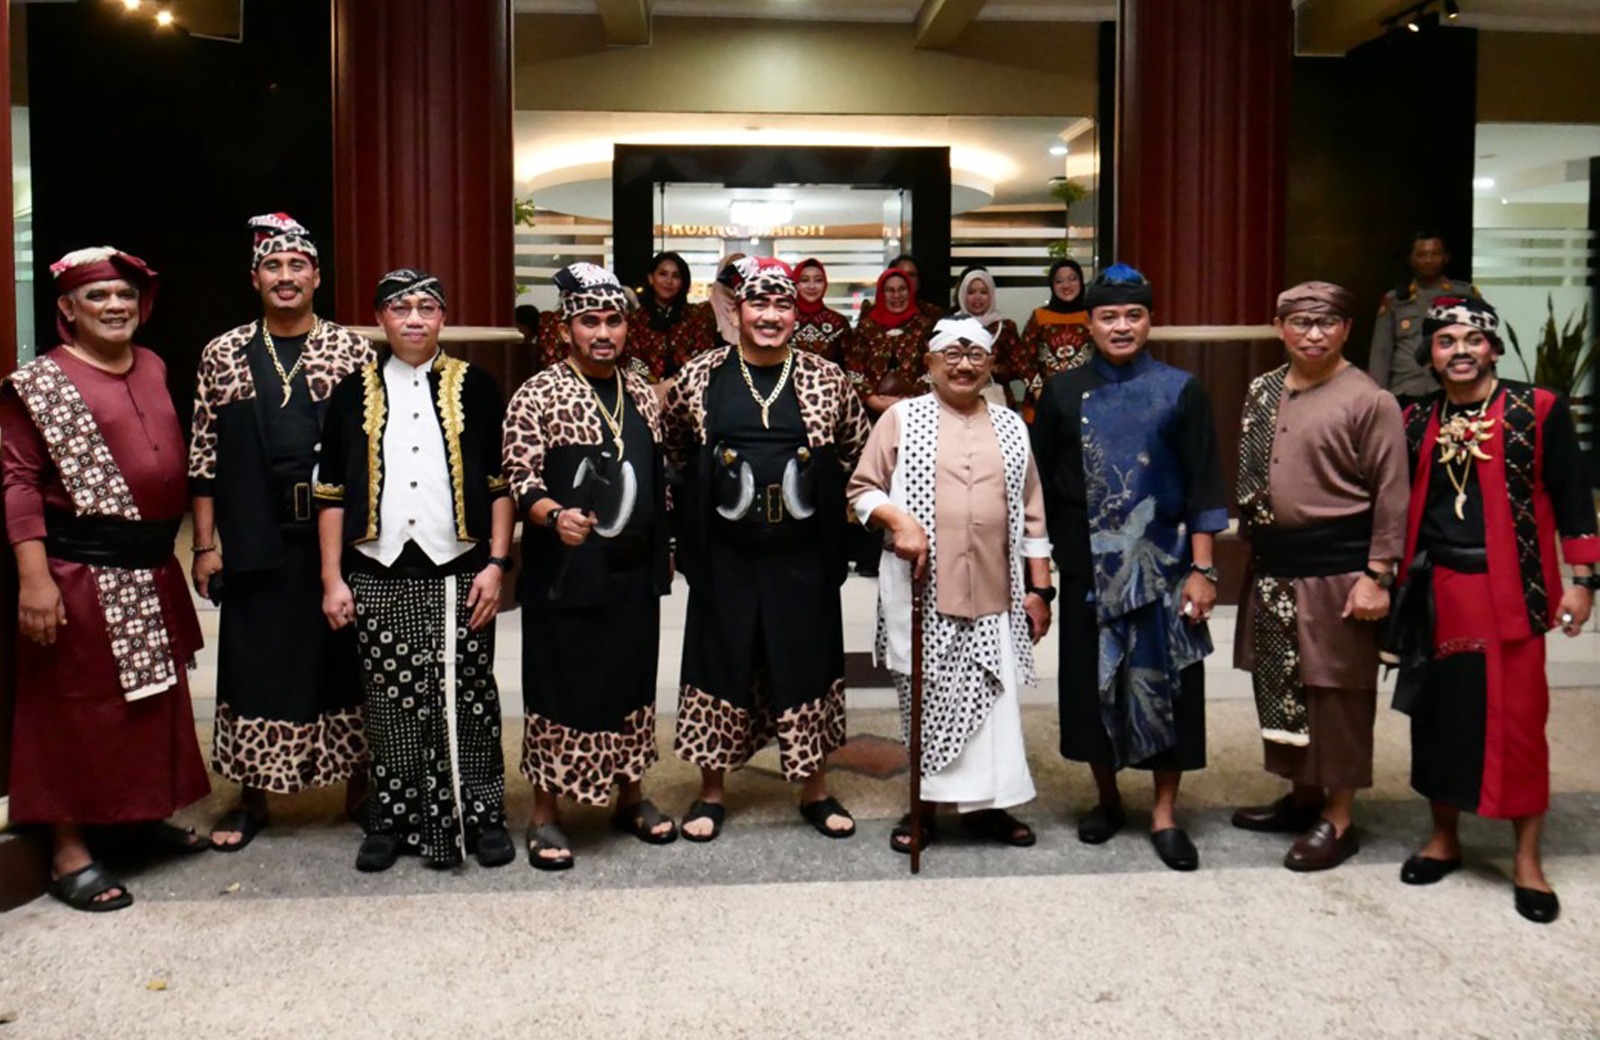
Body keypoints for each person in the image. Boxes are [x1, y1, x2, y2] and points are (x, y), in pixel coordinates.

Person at [2, 246, 210, 911]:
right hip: (77, 570)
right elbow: (18, 482)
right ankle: (70, 850)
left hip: (150, 564)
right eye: (97, 297)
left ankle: (137, 819)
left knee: (148, 702)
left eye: (124, 294)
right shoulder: (38, 383)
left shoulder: (151, 364)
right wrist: (35, 581)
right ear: (66, 310)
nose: (114, 306)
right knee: (73, 712)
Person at [1390, 295, 1597, 924]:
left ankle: (1527, 860)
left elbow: (1572, 496)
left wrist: (1583, 579)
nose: (1459, 351)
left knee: (1517, 723)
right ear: (1430, 353)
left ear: (1493, 348)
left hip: (1511, 589)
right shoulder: (1416, 418)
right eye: (1446, 341)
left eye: (1471, 341)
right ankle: (1444, 837)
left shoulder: (1538, 410)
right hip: (1436, 589)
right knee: (1440, 717)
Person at [662, 256, 870, 842]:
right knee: (718, 663)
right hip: (724, 556)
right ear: (737, 310)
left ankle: (815, 789)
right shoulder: (700, 375)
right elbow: (676, 444)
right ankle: (710, 793)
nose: (771, 315)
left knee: (807, 664)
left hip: (802, 557)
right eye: (760, 304)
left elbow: (859, 449)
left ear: (795, 313)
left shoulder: (827, 378)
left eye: (782, 305)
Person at [315, 269, 515, 872]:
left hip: (460, 567)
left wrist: (498, 564)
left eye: (427, 307)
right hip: (376, 567)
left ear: (443, 318)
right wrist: (332, 577)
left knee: (469, 695)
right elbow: (330, 492)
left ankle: (481, 818)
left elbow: (499, 484)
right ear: (380, 319)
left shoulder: (477, 387)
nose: (413, 318)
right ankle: (391, 820)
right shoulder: (351, 392)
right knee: (387, 697)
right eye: (399, 308)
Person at [1031, 264, 1228, 871]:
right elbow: (1040, 482)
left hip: (1165, 567)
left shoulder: (1181, 388)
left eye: (1133, 315)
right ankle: (1107, 797)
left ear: (1150, 321)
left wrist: (1204, 569)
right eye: (1110, 316)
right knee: (1093, 690)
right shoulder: (1062, 391)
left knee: (1170, 687)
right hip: (1089, 566)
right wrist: (1045, 571)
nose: (1122, 326)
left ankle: (1165, 811)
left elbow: (1204, 483)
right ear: (1088, 323)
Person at [189, 213, 375, 851]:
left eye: (298, 266)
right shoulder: (222, 352)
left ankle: (359, 787)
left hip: (337, 536)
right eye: (274, 266)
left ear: (317, 276)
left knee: (343, 660)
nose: (287, 276)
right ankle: (252, 794)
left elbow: (370, 449)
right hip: (255, 530)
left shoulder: (351, 350)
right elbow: (204, 459)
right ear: (255, 278)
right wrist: (206, 545)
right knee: (255, 661)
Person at [849, 316, 1052, 852]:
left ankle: (990, 806)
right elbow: (861, 490)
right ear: (930, 363)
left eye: (977, 356)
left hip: (996, 596)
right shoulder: (901, 418)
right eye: (952, 355)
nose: (964, 365)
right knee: (926, 699)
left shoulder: (1012, 425)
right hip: (922, 593)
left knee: (993, 706)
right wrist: (899, 521)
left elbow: (1033, 513)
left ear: (990, 365)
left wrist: (1040, 589)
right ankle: (924, 807)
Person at [502, 263, 677, 870]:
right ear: (567, 328)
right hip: (567, 571)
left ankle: (629, 797)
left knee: (630, 680)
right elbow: (517, 476)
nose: (603, 332)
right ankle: (545, 813)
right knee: (561, 684)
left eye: (613, 320)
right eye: (589, 321)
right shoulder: (540, 391)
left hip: (631, 569)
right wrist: (552, 515)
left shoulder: (642, 390)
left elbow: (657, 475)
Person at [1230, 281, 1408, 871]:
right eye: (1300, 322)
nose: (1312, 333)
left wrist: (1377, 575)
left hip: (1338, 571)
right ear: (1279, 326)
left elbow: (1392, 494)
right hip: (1277, 566)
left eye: (1326, 322)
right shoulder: (1262, 392)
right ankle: (1300, 796)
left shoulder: (1368, 399)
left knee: (1337, 694)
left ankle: (1339, 818)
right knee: (1281, 685)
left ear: (1347, 330)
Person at [1367, 231, 1479, 409]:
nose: (1428, 260)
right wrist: (1375, 398)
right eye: (1421, 254)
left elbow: (1479, 346)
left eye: (1435, 254)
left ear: (1446, 257)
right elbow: (1381, 354)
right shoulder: (1396, 300)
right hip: (1404, 392)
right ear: (1411, 259)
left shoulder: (1463, 295)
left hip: (1451, 390)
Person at [848, 267, 933, 418]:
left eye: (902, 289)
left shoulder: (924, 325)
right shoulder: (866, 327)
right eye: (889, 290)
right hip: (871, 412)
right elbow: (854, 372)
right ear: (881, 293)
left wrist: (911, 399)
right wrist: (873, 400)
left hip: (917, 410)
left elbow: (933, 369)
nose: (896, 295)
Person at [1019, 258, 1093, 409]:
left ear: (1081, 282)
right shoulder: (1040, 316)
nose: (1066, 286)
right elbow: (1023, 358)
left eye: (1072, 279)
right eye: (1059, 281)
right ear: (1052, 285)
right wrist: (1038, 391)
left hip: (1086, 402)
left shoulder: (1092, 316)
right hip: (1042, 402)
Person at [629, 251, 713, 381]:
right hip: (645, 391)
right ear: (651, 278)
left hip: (688, 388)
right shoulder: (635, 319)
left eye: (676, 276)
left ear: (682, 282)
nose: (669, 281)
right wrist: (654, 383)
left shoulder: (695, 316)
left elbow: (704, 355)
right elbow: (631, 360)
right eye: (663, 274)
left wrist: (675, 381)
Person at [955, 268, 1031, 411]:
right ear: (963, 294)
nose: (977, 297)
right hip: (959, 398)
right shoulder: (951, 326)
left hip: (997, 402)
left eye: (984, 292)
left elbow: (1021, 367)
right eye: (971, 292)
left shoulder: (1004, 328)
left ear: (991, 294)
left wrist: (993, 368)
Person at [792, 257, 853, 368]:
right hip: (788, 384)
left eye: (818, 280)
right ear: (795, 284)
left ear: (825, 284)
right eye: (804, 280)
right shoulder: (785, 319)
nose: (812, 286)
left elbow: (850, 366)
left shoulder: (838, 323)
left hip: (830, 384)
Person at [890, 253, 948, 323]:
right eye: (901, 274)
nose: (906, 279)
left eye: (911, 275)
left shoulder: (934, 315)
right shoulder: (874, 318)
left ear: (918, 281)